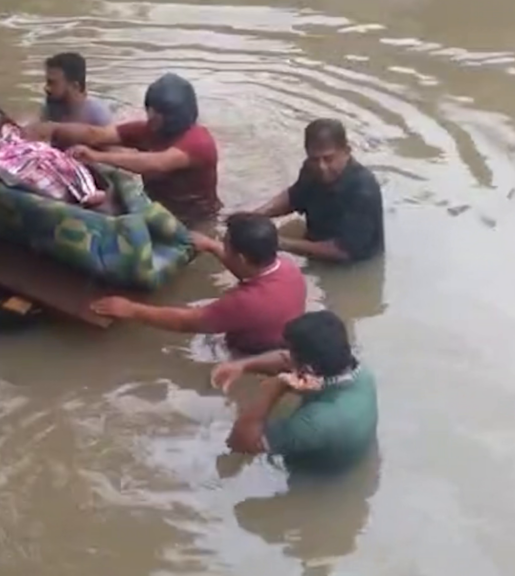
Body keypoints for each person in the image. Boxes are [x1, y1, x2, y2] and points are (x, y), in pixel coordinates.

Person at [91, 213, 306, 354]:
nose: (223, 247)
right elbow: (248, 272)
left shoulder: (244, 303)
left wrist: (132, 310)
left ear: (241, 257)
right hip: (282, 341)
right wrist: (212, 246)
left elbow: (186, 322)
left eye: (226, 245)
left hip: (251, 354)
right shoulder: (288, 268)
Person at [28, 72, 221, 225]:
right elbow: (98, 134)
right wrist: (55, 128)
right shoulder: (148, 130)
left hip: (196, 219)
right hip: (156, 207)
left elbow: (157, 163)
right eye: (150, 109)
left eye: (157, 112)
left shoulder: (198, 141)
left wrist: (97, 156)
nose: (150, 115)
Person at [214, 310, 378, 472]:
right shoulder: (358, 371)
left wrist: (274, 388)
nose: (285, 356)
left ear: (307, 370)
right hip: (343, 442)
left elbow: (239, 443)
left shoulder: (314, 423)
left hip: (315, 479)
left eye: (290, 353)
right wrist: (242, 366)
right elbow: (288, 359)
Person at [256, 119, 384, 263]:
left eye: (328, 159)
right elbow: (295, 197)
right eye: (314, 159)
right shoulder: (311, 168)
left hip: (353, 265)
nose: (321, 166)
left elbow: (344, 251)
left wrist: (280, 243)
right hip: (315, 245)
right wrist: (257, 214)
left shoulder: (363, 190)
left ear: (347, 151)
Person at [39, 52, 113, 127]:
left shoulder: (98, 113)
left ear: (75, 86)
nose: (46, 88)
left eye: (52, 83)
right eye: (48, 82)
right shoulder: (50, 108)